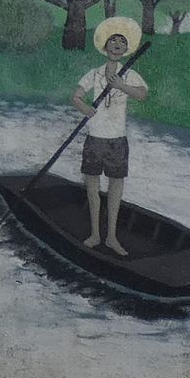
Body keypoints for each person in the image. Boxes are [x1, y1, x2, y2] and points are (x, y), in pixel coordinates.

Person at [73, 16, 150, 255]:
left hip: (117, 140)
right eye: (112, 41)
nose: (117, 45)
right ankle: (96, 234)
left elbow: (143, 94)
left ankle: (112, 237)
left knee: (116, 189)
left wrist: (121, 86)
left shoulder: (129, 74)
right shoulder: (94, 74)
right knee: (93, 188)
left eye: (122, 42)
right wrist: (83, 107)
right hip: (95, 138)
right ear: (105, 46)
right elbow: (75, 96)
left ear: (127, 48)